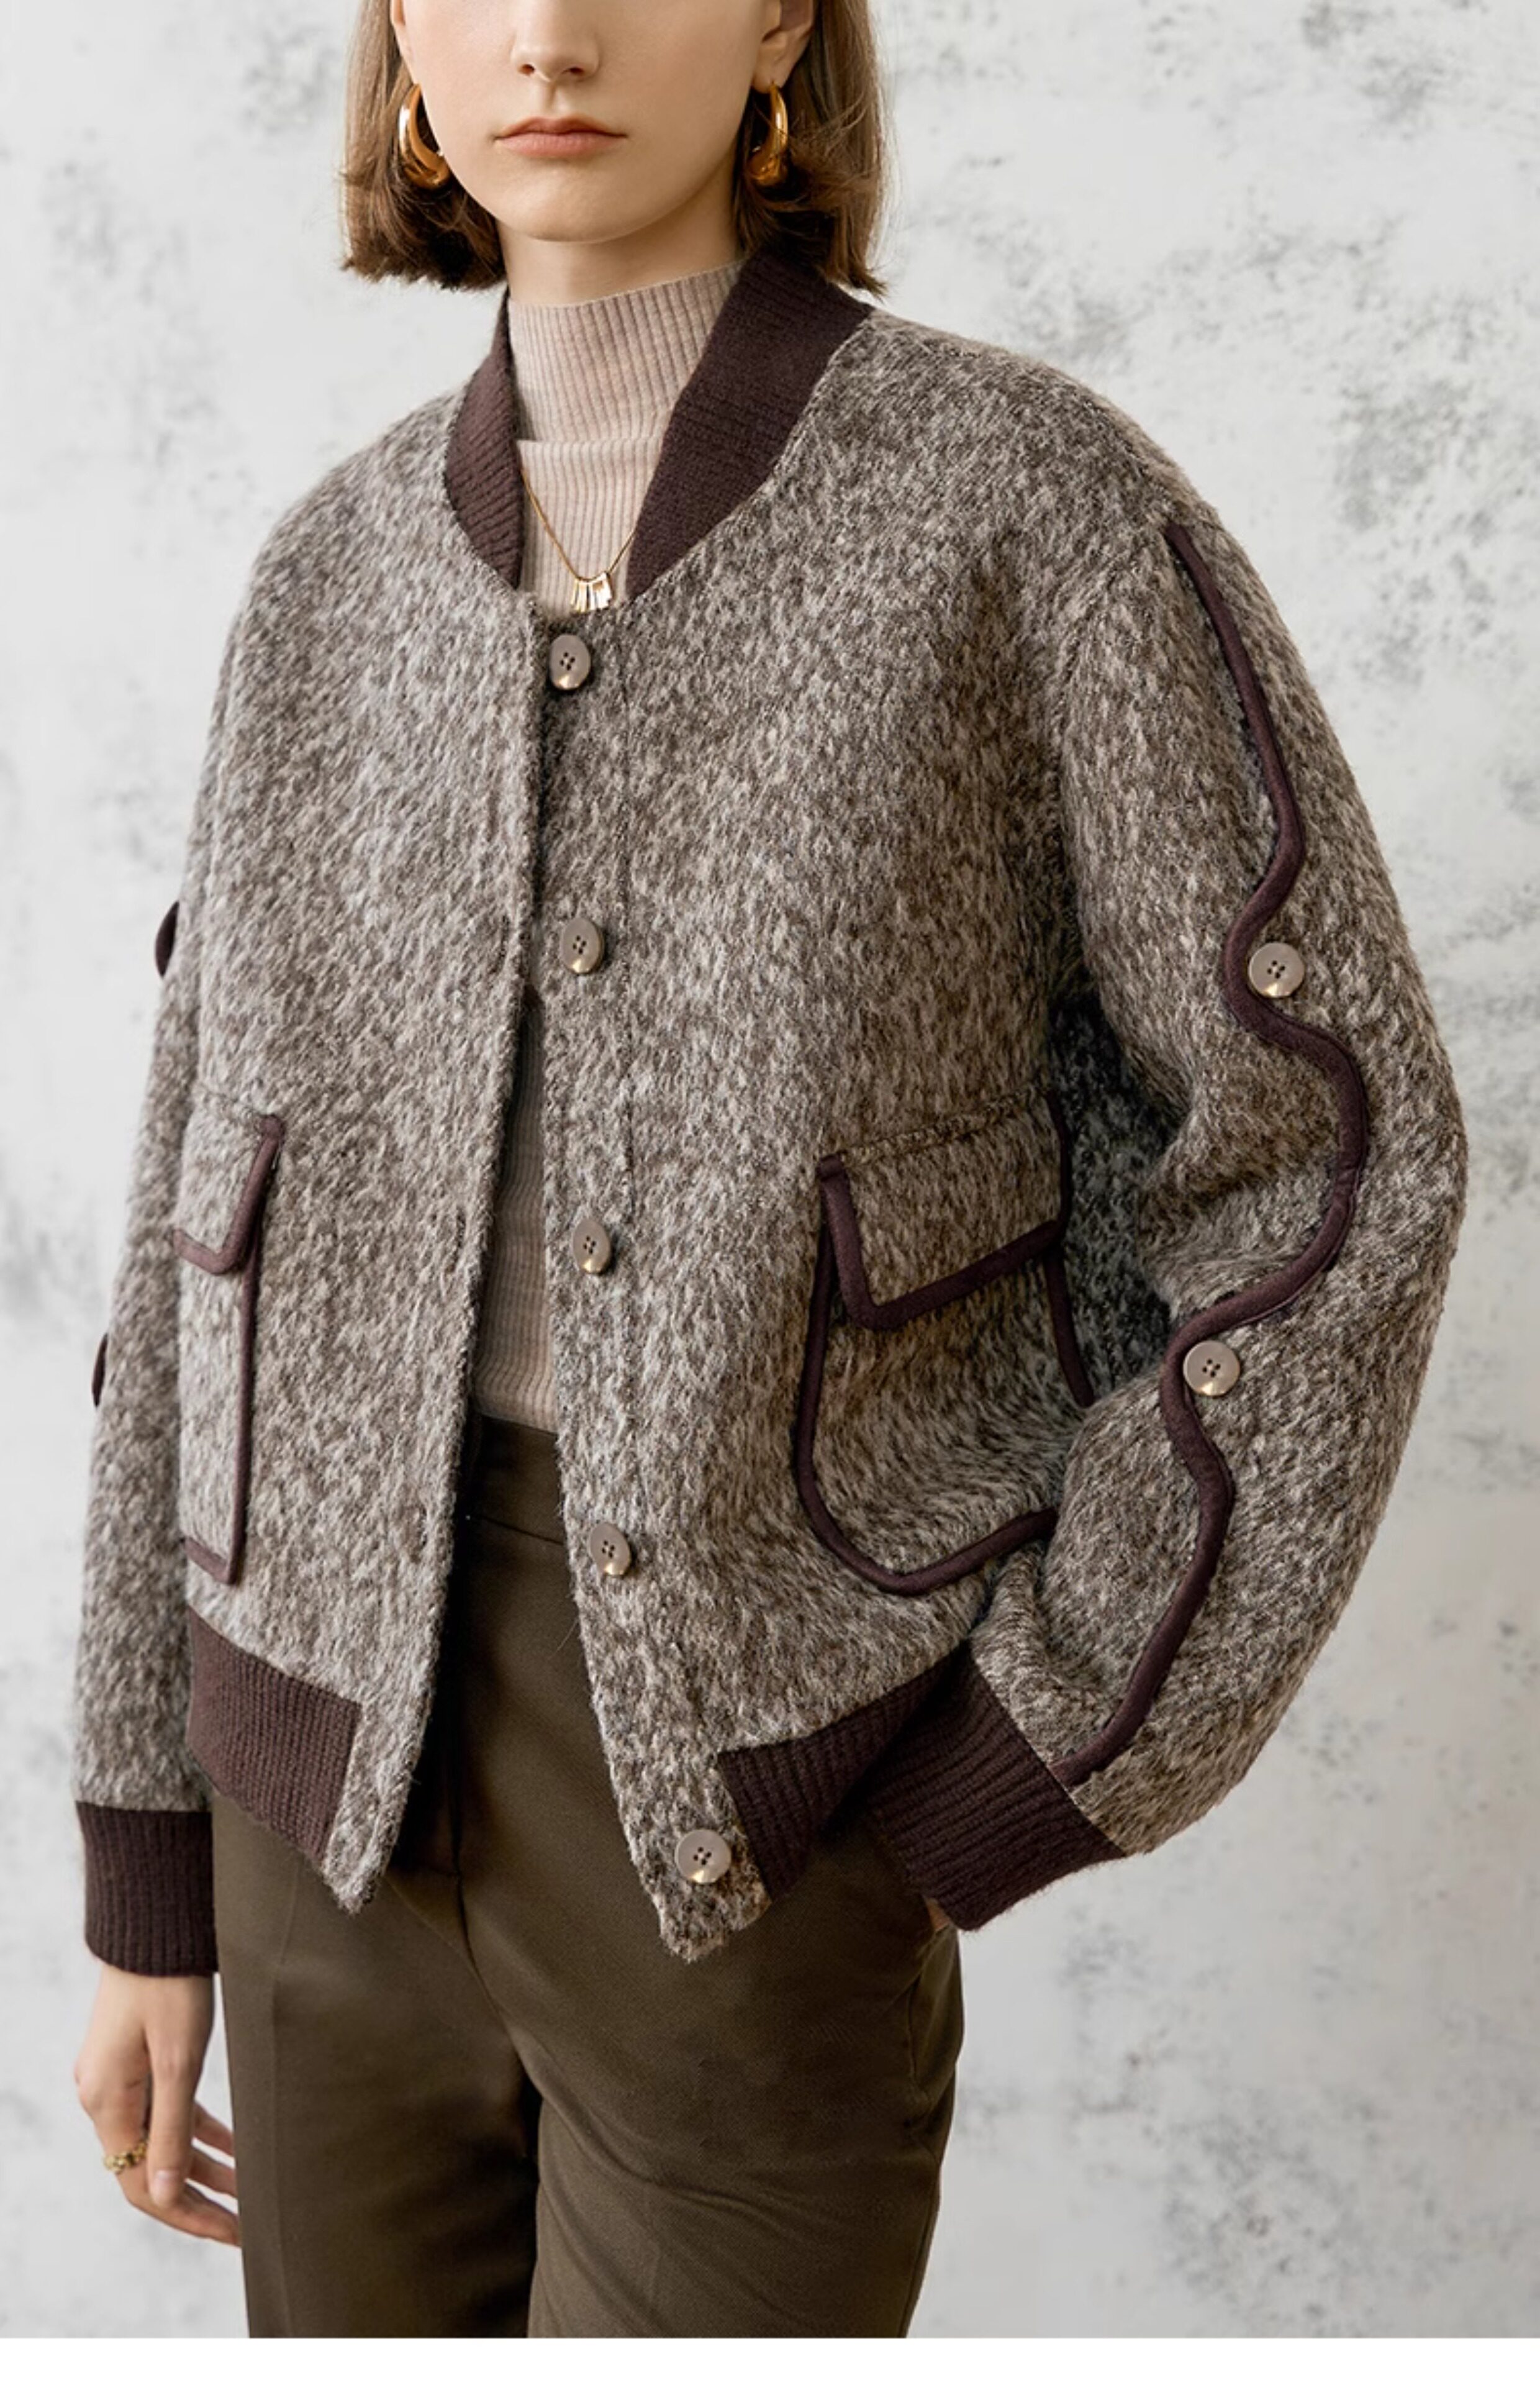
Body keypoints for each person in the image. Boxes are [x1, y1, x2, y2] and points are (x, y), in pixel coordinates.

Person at [68, 0, 1468, 2340]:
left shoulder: (1021, 510)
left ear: (785, 25)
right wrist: (145, 1858)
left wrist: (1045, 1737)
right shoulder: (326, 578)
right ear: (402, 51)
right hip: (306, 1793)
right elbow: (184, 1231)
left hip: (759, 1795)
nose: (552, 36)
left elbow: (1332, 1148)